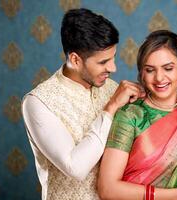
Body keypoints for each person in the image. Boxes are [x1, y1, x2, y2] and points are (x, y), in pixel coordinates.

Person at [22, 8, 145, 200]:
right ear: (75, 59)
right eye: (103, 62)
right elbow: (75, 167)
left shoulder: (112, 89)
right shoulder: (38, 102)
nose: (113, 68)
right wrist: (111, 108)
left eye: (113, 58)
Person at [98, 30, 177, 200]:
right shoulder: (131, 115)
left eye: (168, 68)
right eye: (150, 70)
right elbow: (107, 189)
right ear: (142, 73)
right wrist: (173, 195)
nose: (159, 78)